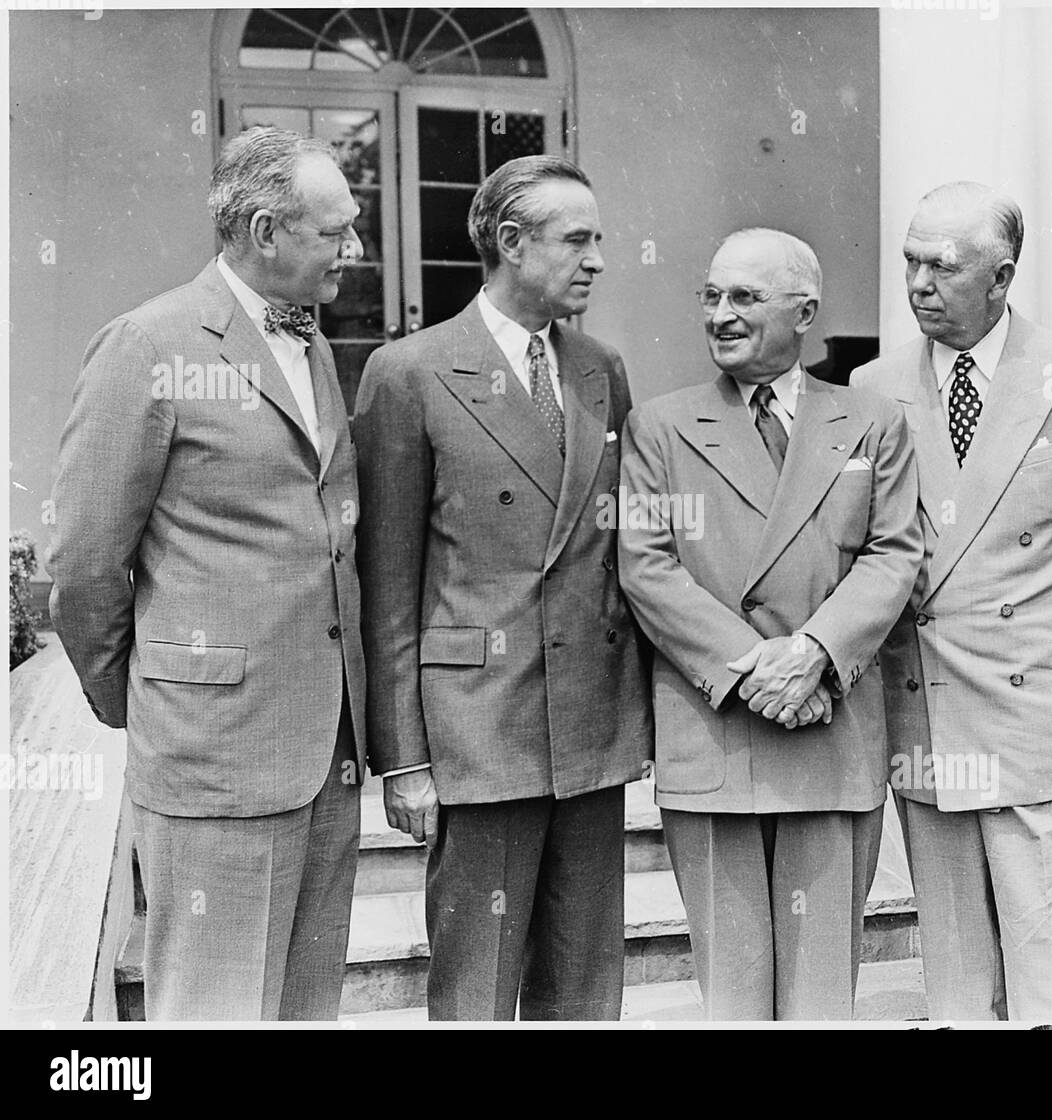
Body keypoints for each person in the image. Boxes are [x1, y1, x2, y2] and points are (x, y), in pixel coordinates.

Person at [48, 126, 369, 1020]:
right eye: (335, 232)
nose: (354, 250)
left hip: (326, 752)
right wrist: (149, 697)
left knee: (307, 1011)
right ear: (265, 233)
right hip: (212, 754)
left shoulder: (314, 348)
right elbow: (83, 566)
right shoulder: (146, 344)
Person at [354, 155, 651, 1021]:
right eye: (577, 240)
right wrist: (403, 758)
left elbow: (614, 552)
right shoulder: (409, 371)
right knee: (476, 988)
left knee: (587, 986)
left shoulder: (602, 368)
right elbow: (388, 583)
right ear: (511, 244)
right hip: (477, 730)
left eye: (600, 239)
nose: (597, 258)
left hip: (590, 726)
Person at [851, 181, 1052, 1021]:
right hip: (930, 714)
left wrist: (1049, 648)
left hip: (1041, 710)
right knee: (955, 974)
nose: (917, 283)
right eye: (909, 260)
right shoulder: (875, 384)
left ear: (1001, 275)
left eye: (941, 266)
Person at [618, 228, 923, 1020]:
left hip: (831, 728)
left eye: (744, 298)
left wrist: (816, 653)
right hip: (717, 728)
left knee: (823, 994)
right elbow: (646, 567)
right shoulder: (661, 424)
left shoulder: (871, 420)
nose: (720, 313)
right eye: (711, 296)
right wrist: (759, 670)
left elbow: (894, 553)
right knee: (734, 993)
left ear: (806, 312)